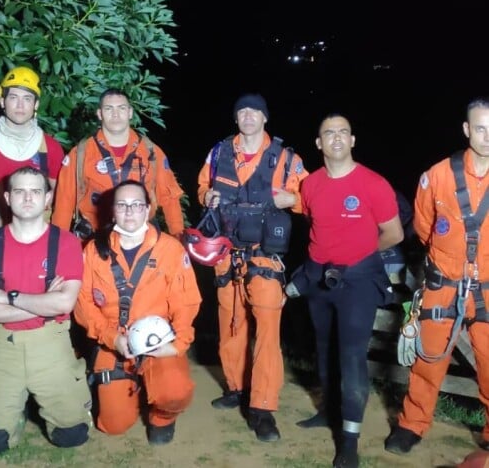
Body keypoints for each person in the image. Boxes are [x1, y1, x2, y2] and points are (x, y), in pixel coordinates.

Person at [285, 113, 403, 468]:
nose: (336, 138)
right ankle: (328, 412)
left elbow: (394, 233)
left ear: (352, 140)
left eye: (343, 133)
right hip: (320, 279)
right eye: (328, 133)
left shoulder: (373, 183)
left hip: (358, 282)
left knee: (351, 356)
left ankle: (349, 440)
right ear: (319, 144)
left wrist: (357, 258)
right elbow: (315, 223)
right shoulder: (311, 185)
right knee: (323, 347)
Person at [196, 93, 308, 442]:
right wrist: (206, 197)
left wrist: (290, 199)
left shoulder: (286, 158)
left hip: (264, 258)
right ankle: (235, 388)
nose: (248, 117)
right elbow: (201, 187)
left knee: (267, 335)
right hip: (226, 254)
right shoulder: (218, 153)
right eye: (242, 111)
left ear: (264, 118)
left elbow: (309, 197)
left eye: (254, 112)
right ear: (236, 118)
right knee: (230, 325)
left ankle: (262, 407)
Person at [385, 97, 489, 456]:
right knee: (428, 360)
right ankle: (411, 425)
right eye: (480, 128)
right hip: (443, 285)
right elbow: (425, 227)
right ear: (466, 130)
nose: (487, 136)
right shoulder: (438, 176)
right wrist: (449, 264)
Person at [0, 166, 92, 453]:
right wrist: (43, 302)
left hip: (51, 343)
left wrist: (9, 296)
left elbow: (64, 303)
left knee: (72, 436)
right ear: (8, 198)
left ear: (47, 199)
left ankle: (56, 402)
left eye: (36, 191)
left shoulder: (66, 242)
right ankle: (14, 410)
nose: (28, 198)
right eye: (20, 191)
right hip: (2, 345)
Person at [73, 179, 202, 445]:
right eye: (122, 205)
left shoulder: (169, 249)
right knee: (113, 425)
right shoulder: (95, 250)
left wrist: (178, 344)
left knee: (174, 392)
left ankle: (162, 417)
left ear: (147, 209)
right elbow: (83, 302)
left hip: (158, 341)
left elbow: (186, 302)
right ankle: (132, 387)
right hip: (115, 341)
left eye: (136, 205)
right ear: (113, 211)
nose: (129, 211)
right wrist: (111, 338)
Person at [52, 88, 185, 242]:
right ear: (100, 114)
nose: (116, 114)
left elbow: (169, 198)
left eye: (121, 108)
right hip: (95, 237)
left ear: (130, 112)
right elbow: (64, 202)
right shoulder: (81, 153)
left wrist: (178, 236)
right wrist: (57, 245)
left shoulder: (150, 152)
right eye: (109, 109)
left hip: (143, 237)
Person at [0, 66, 64, 230]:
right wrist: (1, 243)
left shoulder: (50, 148)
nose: (20, 105)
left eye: (27, 98)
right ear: (2, 101)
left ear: (36, 104)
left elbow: (59, 198)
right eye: (13, 97)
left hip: (39, 232)